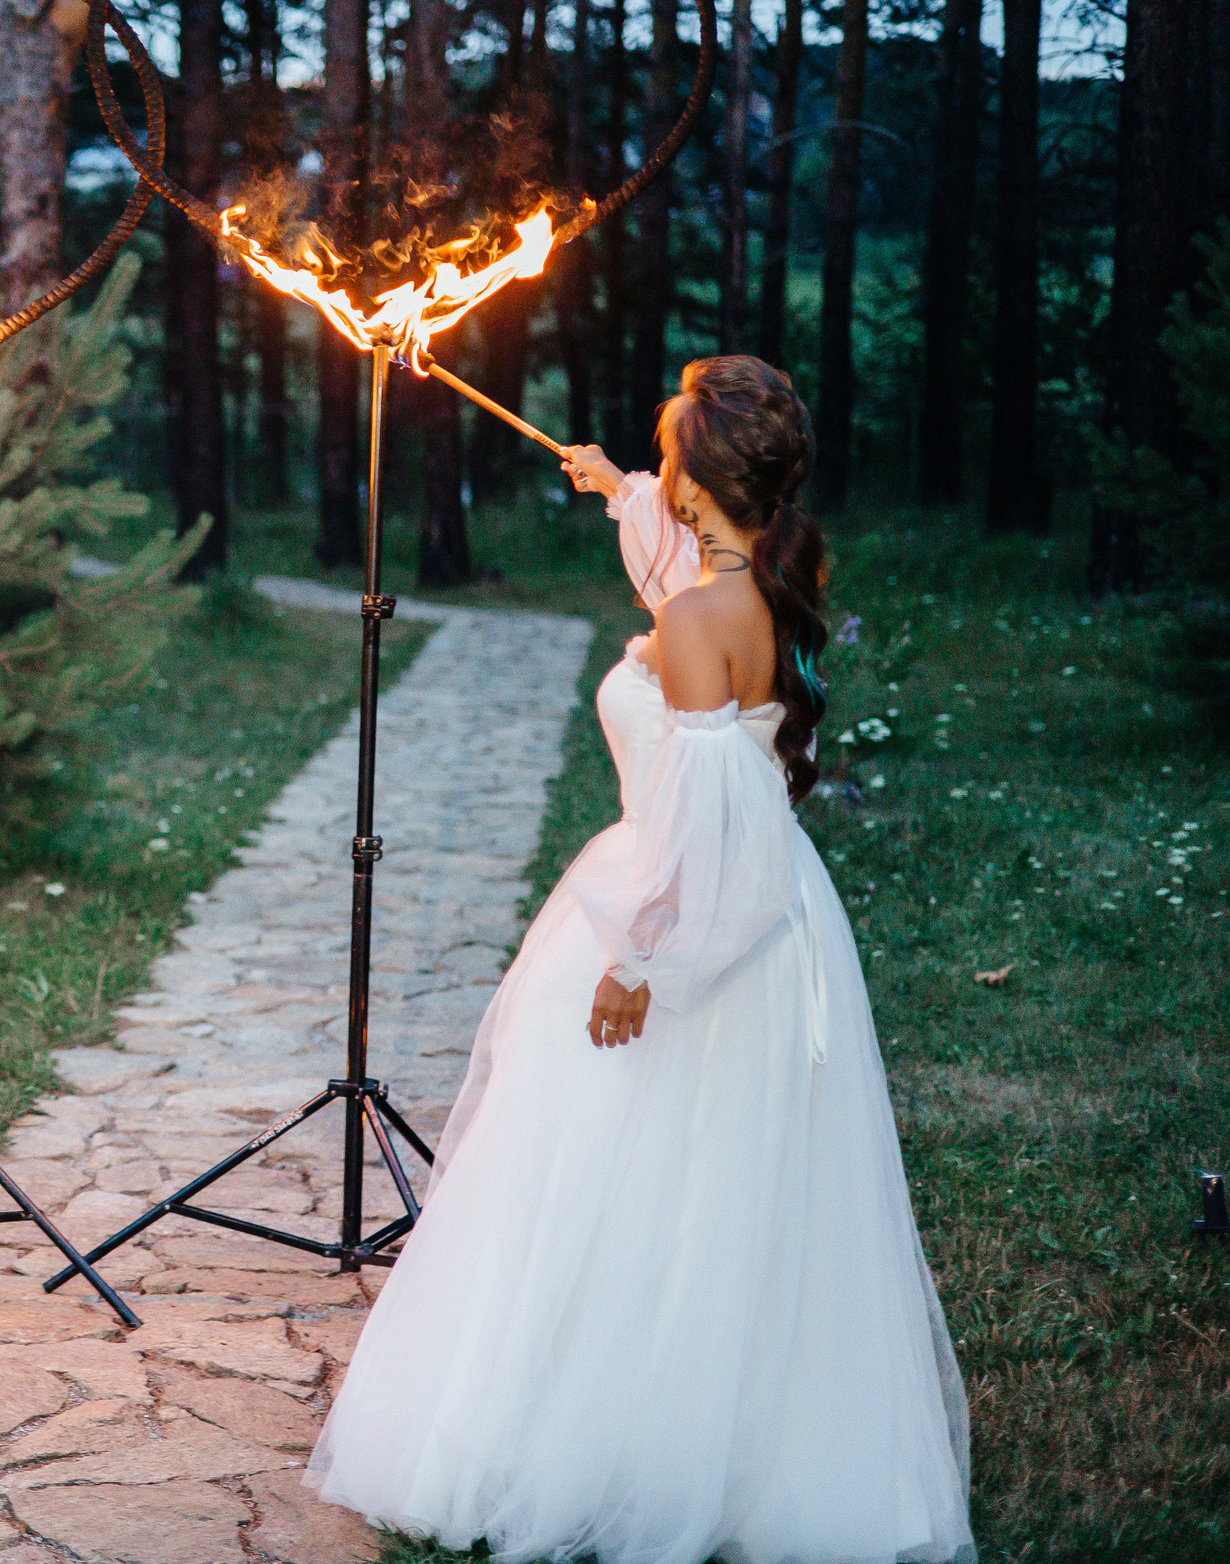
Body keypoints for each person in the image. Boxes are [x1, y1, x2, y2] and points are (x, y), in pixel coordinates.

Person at [308, 357, 974, 1564]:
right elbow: (689, 589)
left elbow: (703, 834)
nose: (654, 467)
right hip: (770, 922)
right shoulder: (771, 575)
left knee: (614, 1182)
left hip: (686, 915)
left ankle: (598, 1441)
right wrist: (618, 485)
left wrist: (642, 963)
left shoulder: (691, 625)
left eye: (664, 454)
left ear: (701, 485)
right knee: (725, 1197)